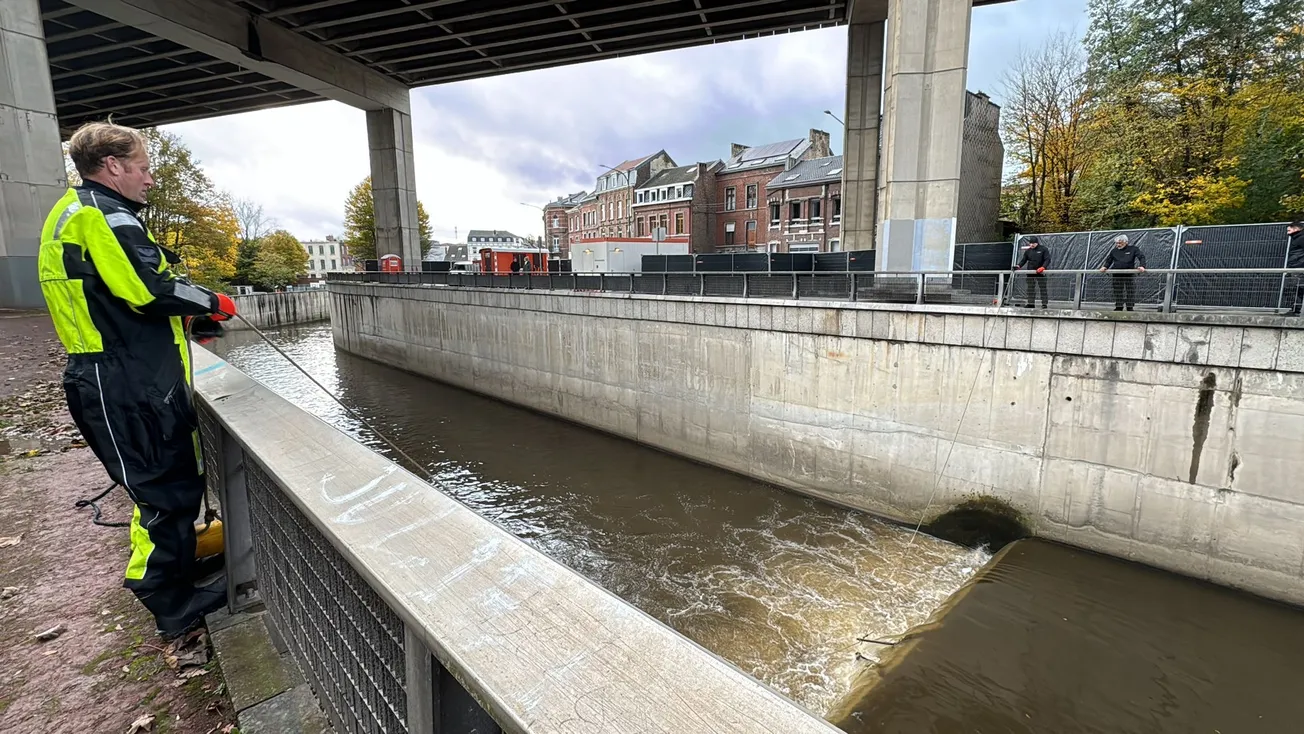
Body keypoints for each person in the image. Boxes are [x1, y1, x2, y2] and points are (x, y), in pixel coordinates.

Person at [39, 121, 237, 639]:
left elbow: (115, 294)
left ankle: (172, 575)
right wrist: (213, 302)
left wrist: (186, 322)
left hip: (121, 375)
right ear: (113, 166)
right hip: (125, 382)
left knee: (164, 484)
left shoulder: (77, 213)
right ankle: (170, 601)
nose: (149, 179)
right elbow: (149, 287)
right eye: (144, 168)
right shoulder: (104, 215)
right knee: (162, 490)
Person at [1099, 234, 1147, 311]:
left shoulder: (1133, 249)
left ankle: (1129, 307)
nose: (1118, 245)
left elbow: (1141, 257)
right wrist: (1105, 267)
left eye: (1120, 243)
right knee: (1117, 290)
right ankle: (1119, 306)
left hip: (1129, 273)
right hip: (1117, 273)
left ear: (1126, 242)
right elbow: (1109, 260)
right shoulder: (1114, 251)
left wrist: (1142, 266)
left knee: (1130, 290)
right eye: (1117, 243)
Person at [1014, 235, 1052, 308]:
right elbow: (1023, 260)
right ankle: (1031, 303)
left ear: (1037, 243)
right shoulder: (1028, 251)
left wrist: (1043, 267)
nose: (1031, 245)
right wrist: (1018, 266)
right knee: (1030, 288)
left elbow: (1047, 259)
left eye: (1033, 243)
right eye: (1030, 243)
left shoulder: (1043, 249)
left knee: (1042, 288)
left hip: (1041, 272)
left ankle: (1044, 304)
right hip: (1030, 272)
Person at [1287, 221, 1304, 315]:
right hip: (1296, 267)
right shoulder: (1298, 238)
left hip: (1298, 268)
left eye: (1289, 230)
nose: (1287, 233)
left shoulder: (1301, 238)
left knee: (1295, 289)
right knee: (1294, 289)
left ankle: (1296, 310)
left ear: (1296, 229)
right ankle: (1295, 309)